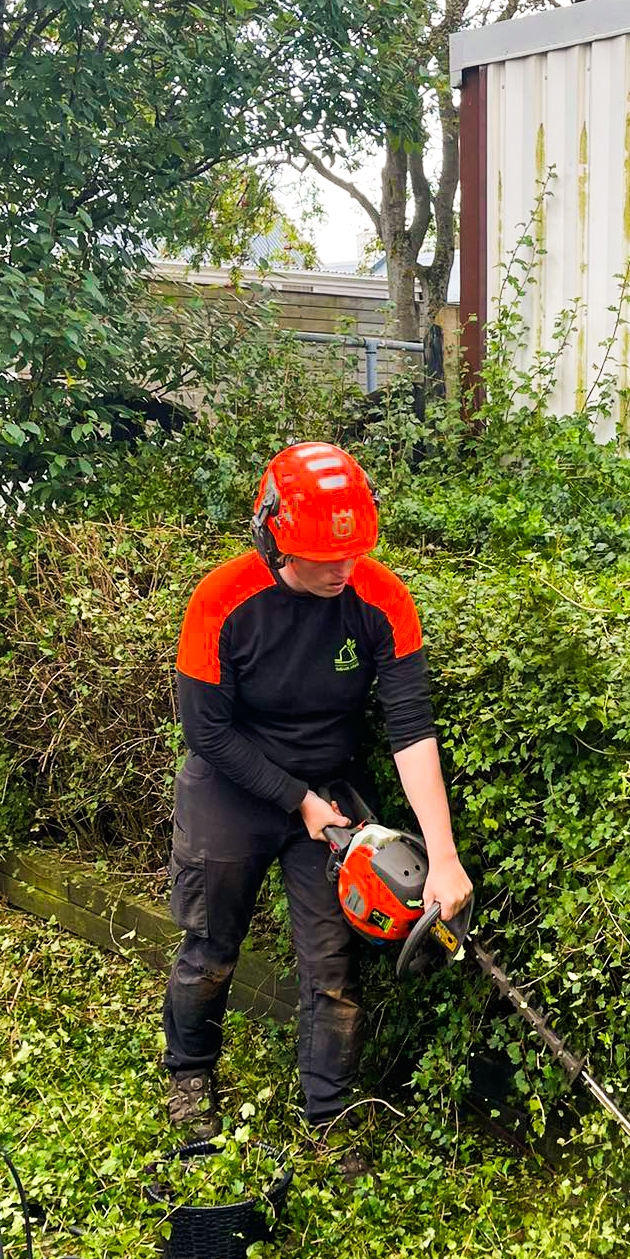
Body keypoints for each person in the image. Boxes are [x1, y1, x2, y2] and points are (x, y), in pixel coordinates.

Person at [161, 440, 474, 1163]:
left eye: (352, 555)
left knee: (332, 966)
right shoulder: (221, 599)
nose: (342, 570)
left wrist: (445, 860)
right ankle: (189, 1077)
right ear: (272, 536)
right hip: (232, 785)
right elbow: (205, 730)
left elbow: (410, 728)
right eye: (322, 558)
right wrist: (292, 797)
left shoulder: (381, 598)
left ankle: (328, 1117)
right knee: (210, 949)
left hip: (328, 796)